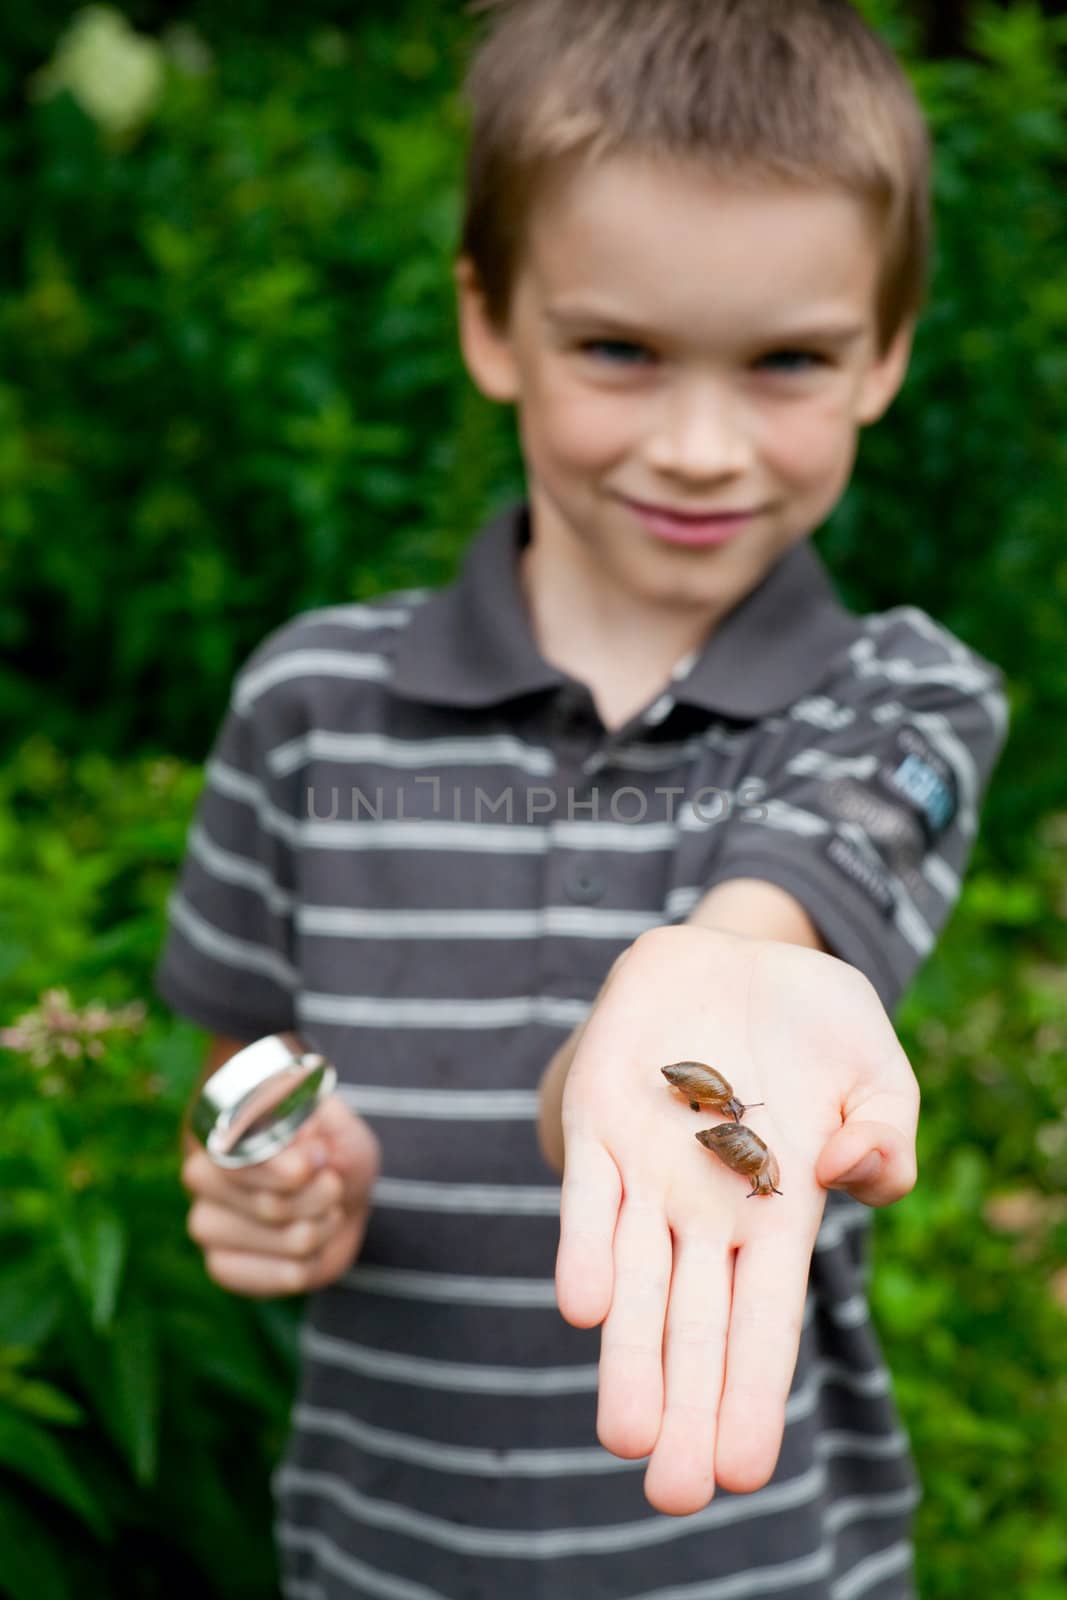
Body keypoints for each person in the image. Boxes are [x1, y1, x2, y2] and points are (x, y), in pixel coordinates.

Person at [156, 1, 1009, 1595]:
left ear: (884, 353)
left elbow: (790, 903)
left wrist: (698, 973)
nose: (699, 445)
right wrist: (261, 1151)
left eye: (788, 362)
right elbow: (236, 1048)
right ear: (490, 322)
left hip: (759, 1561)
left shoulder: (904, 698)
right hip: (384, 1552)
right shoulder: (306, 705)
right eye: (619, 348)